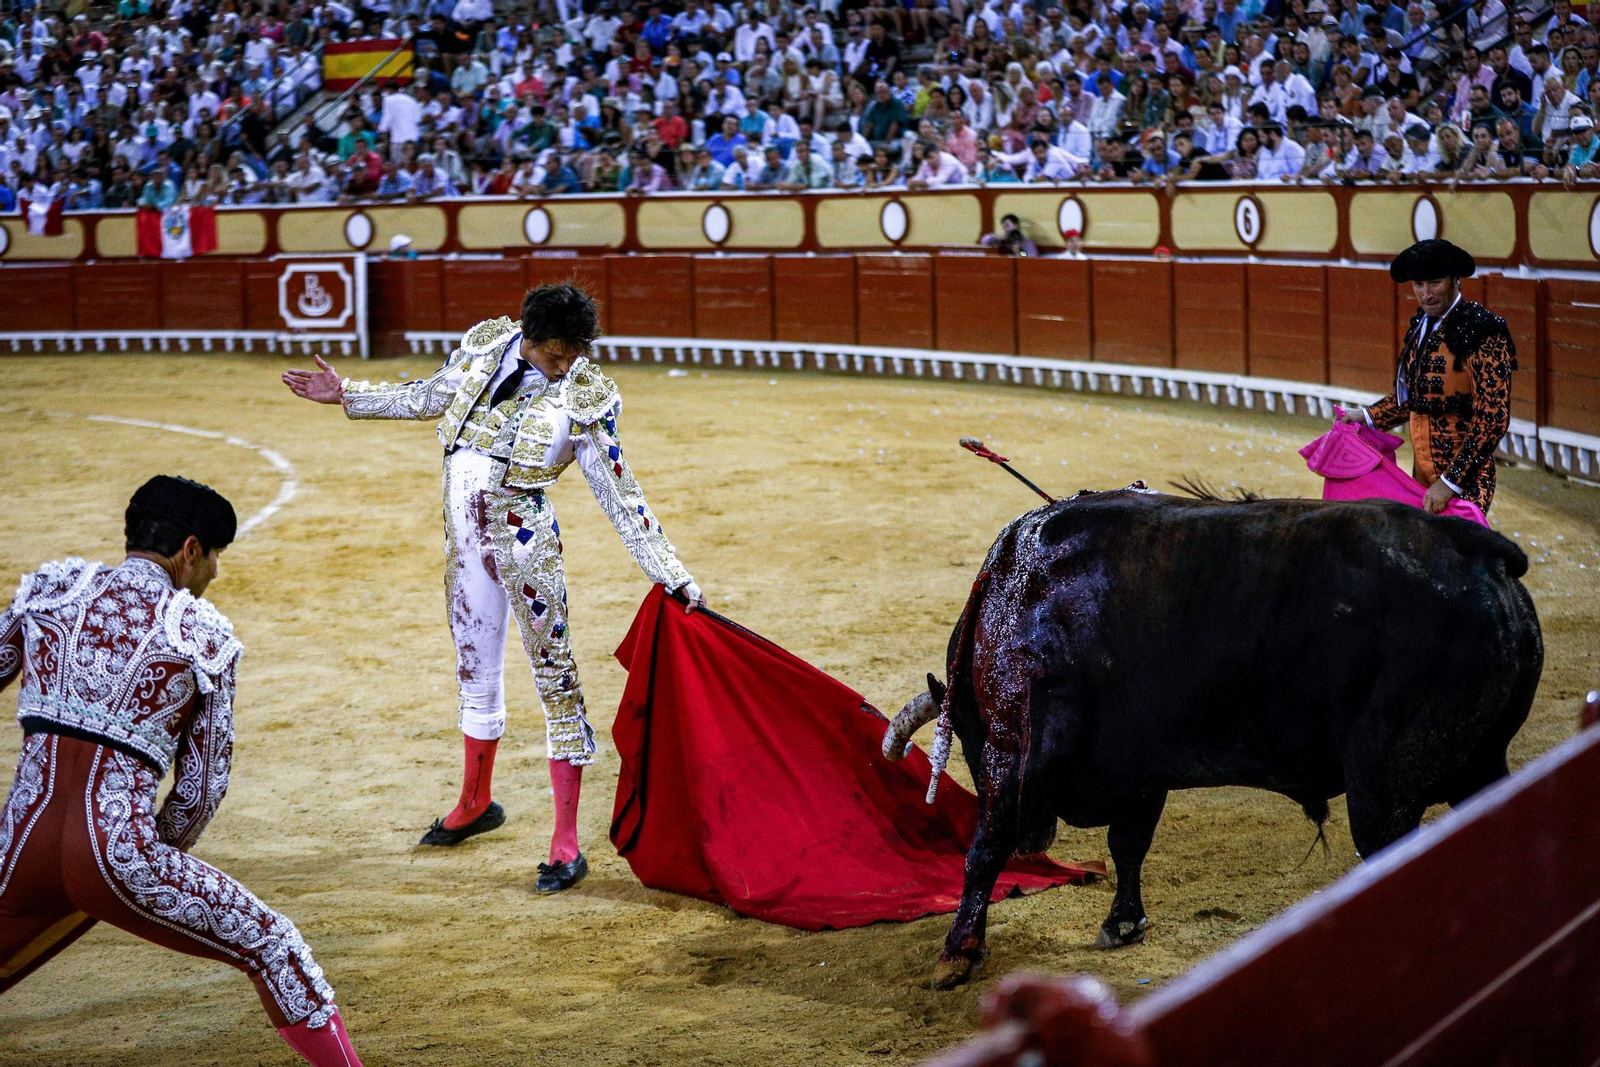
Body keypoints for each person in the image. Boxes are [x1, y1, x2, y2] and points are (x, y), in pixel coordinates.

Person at [281, 286, 705, 892]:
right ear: (530, 338)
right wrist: (348, 394)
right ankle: (475, 801)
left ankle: (565, 842)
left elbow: (619, 491)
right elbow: (429, 395)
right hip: (465, 545)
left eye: (575, 353)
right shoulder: (486, 348)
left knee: (555, 677)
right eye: (557, 354)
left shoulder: (584, 394)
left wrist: (670, 572)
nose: (566, 365)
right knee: (474, 671)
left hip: (527, 549)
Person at [0, 477, 362, 1067]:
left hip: (18, 847)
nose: (216, 571)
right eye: (215, 555)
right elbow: (200, 791)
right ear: (190, 550)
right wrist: (145, 871)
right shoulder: (200, 636)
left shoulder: (50, 592)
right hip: (119, 852)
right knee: (275, 949)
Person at [1339, 240, 1516, 513]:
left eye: (1434, 283)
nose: (1426, 294)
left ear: (1455, 280)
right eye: (1418, 285)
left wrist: (1449, 482)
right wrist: (1367, 416)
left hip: (1466, 481)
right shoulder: (1421, 326)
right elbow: (1416, 398)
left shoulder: (1483, 331)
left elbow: (1492, 419)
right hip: (1421, 476)